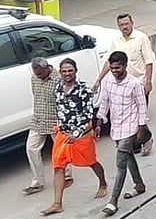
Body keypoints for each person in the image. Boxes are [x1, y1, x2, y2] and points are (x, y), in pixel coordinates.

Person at [41, 58, 108, 216]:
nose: (67, 74)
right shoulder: (58, 89)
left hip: (81, 134)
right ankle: (57, 203)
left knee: (91, 162)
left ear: (76, 71)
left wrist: (76, 133)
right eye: (64, 71)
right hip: (63, 134)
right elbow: (60, 110)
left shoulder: (83, 89)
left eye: (70, 70)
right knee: (58, 167)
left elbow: (87, 114)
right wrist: (60, 127)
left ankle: (103, 183)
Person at [94, 13, 156, 155]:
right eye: (121, 25)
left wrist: (148, 82)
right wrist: (99, 79)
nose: (124, 27)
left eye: (126, 24)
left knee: (141, 114)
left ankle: (146, 138)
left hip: (138, 84)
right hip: (122, 85)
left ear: (132, 23)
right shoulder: (116, 40)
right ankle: (132, 144)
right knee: (128, 116)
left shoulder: (141, 38)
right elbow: (109, 62)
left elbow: (148, 61)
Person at [95, 51, 149, 216]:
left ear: (125, 66)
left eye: (117, 68)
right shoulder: (109, 81)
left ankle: (113, 200)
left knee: (120, 163)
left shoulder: (134, 84)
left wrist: (141, 128)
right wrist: (99, 122)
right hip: (116, 127)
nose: (114, 71)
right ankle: (139, 185)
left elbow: (142, 107)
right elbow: (104, 102)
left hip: (130, 128)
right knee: (128, 156)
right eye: (112, 68)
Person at [24, 57, 72, 196]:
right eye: (36, 73)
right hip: (38, 119)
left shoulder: (59, 79)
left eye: (40, 73)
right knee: (31, 148)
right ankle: (37, 182)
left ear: (47, 68)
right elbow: (36, 96)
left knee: (61, 150)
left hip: (55, 121)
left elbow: (65, 101)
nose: (37, 76)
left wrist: (65, 121)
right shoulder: (34, 79)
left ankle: (67, 176)